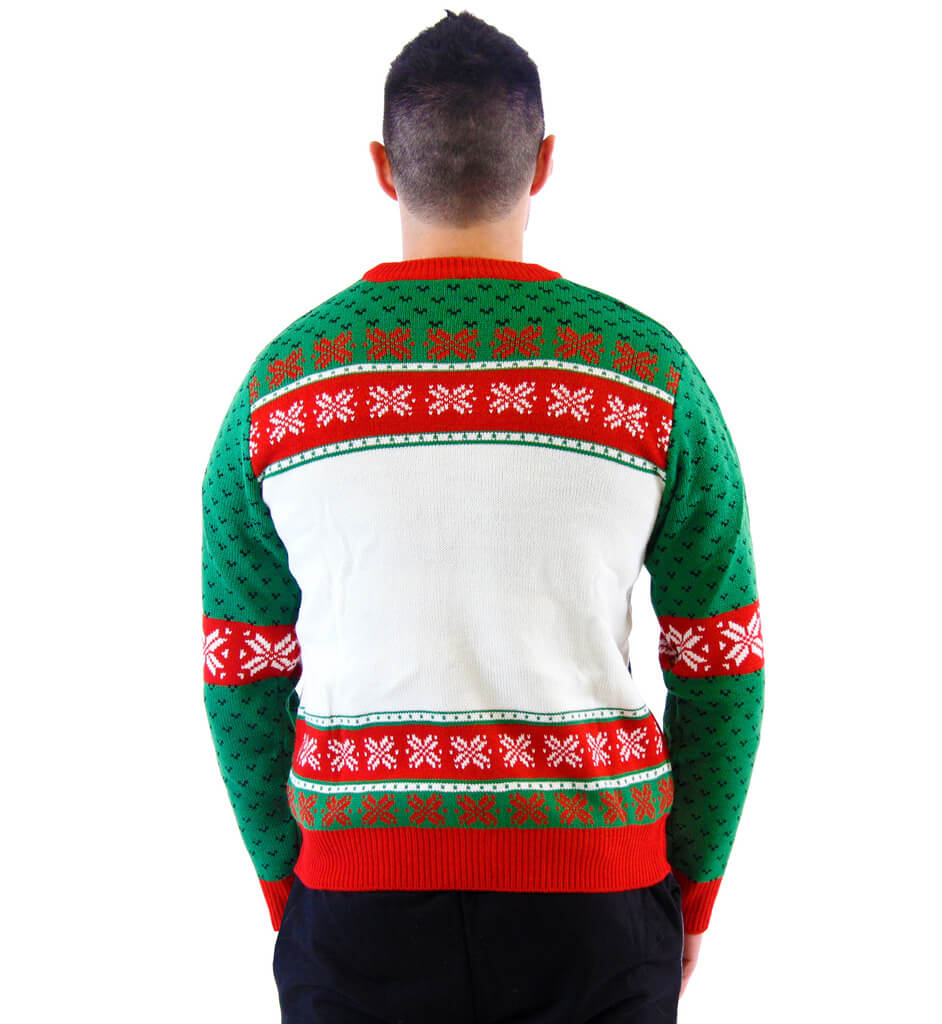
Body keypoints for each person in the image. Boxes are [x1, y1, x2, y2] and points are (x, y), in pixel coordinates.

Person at [201, 9, 765, 1023]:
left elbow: (240, 667)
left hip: (357, 911)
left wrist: (293, 882)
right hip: (597, 908)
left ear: (383, 168)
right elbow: (723, 657)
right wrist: (691, 886)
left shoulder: (281, 391)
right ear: (543, 162)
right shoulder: (650, 377)